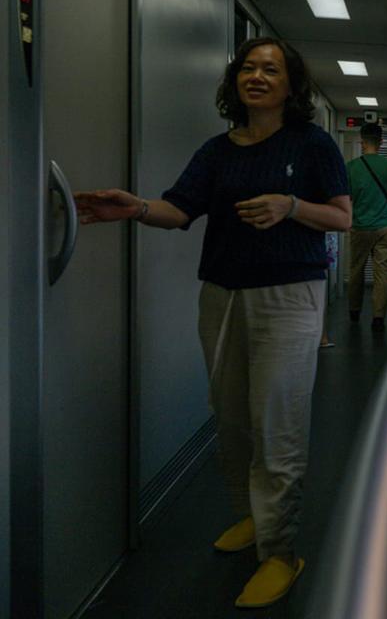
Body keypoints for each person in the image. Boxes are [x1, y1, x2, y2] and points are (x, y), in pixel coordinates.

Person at [74, 37, 350, 609]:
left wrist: (291, 206)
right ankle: (252, 516)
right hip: (221, 295)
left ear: (290, 85)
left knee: (276, 425)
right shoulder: (217, 150)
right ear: (235, 81)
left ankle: (279, 551)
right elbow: (181, 209)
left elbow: (342, 218)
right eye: (248, 67)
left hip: (288, 296)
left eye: (270, 69)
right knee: (231, 420)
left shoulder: (313, 143)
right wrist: (137, 208)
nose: (257, 76)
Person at [345, 122, 387, 332]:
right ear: (381, 142)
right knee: (382, 274)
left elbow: (347, 198)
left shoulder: (351, 167)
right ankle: (378, 318)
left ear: (362, 142)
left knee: (356, 271)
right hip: (384, 227)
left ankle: (354, 312)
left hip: (360, 226)